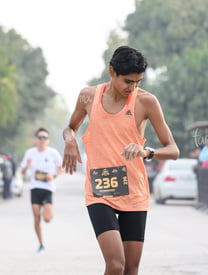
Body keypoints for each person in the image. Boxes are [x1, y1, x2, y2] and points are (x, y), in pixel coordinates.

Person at [62, 46, 179, 275]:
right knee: (116, 264)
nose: (133, 87)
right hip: (100, 191)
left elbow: (173, 150)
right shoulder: (88, 96)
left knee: (131, 269)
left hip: (134, 193)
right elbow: (70, 128)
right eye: (128, 81)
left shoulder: (146, 101)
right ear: (112, 72)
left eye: (138, 81)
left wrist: (146, 152)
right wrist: (69, 140)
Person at [20, 127, 63, 252]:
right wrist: (27, 166)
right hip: (35, 187)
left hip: (48, 188)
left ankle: (47, 209)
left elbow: (61, 168)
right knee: (36, 217)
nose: (42, 140)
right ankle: (41, 243)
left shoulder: (53, 152)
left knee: (47, 219)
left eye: (44, 137)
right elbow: (23, 171)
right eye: (40, 137)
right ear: (36, 139)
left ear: (48, 140)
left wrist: (53, 176)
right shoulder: (30, 153)